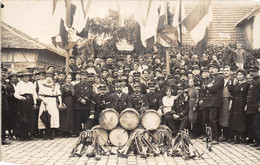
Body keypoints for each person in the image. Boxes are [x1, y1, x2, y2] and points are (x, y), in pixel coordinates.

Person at [202, 62, 224, 144]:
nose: (211, 70)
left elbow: (214, 88)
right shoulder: (209, 79)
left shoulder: (220, 78)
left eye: (213, 69)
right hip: (207, 101)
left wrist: (209, 87)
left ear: (217, 70)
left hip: (215, 101)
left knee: (212, 119)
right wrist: (208, 86)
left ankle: (215, 138)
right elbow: (203, 88)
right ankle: (208, 136)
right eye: (210, 69)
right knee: (206, 119)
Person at [38, 71, 63, 140]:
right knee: (45, 116)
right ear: (45, 78)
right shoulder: (42, 85)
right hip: (45, 101)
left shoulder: (55, 85)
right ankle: (46, 133)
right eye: (47, 77)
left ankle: (51, 133)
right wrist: (43, 100)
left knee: (53, 116)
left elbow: (59, 95)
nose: (49, 79)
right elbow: (39, 95)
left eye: (50, 77)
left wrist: (60, 103)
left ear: (52, 78)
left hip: (53, 102)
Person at [14, 70, 37, 140]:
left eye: (28, 76)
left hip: (30, 101)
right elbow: (16, 94)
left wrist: (35, 103)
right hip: (22, 102)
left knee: (30, 117)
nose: (26, 78)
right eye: (25, 76)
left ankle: (29, 134)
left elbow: (34, 94)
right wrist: (20, 97)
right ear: (22, 77)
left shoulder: (31, 84)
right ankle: (22, 134)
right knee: (23, 118)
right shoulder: (19, 84)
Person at [228, 69, 249, 144]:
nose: (239, 76)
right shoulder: (235, 84)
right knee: (235, 119)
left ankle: (243, 137)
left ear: (244, 75)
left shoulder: (247, 84)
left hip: (242, 103)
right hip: (235, 103)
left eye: (241, 75)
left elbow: (248, 95)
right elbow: (232, 94)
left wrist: (246, 104)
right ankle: (236, 138)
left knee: (242, 120)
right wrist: (230, 103)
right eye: (238, 75)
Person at [73, 71, 94, 136]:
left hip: (86, 104)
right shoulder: (76, 85)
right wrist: (80, 100)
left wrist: (85, 99)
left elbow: (90, 93)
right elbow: (75, 94)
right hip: (79, 105)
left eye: (85, 76)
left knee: (86, 119)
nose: (84, 77)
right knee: (78, 119)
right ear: (80, 77)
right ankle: (77, 132)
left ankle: (87, 132)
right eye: (83, 76)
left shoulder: (90, 85)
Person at [245, 66, 260, 149]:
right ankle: (256, 141)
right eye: (250, 72)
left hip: (256, 106)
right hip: (251, 106)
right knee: (252, 124)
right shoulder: (253, 81)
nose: (251, 73)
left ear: (257, 72)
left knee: (257, 124)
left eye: (253, 71)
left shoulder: (259, 81)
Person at [219, 66, 233, 142]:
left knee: (229, 117)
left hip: (228, 100)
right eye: (224, 71)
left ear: (230, 72)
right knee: (222, 118)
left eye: (227, 70)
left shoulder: (233, 80)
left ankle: (230, 136)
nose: (226, 72)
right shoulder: (221, 80)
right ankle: (224, 135)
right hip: (222, 100)